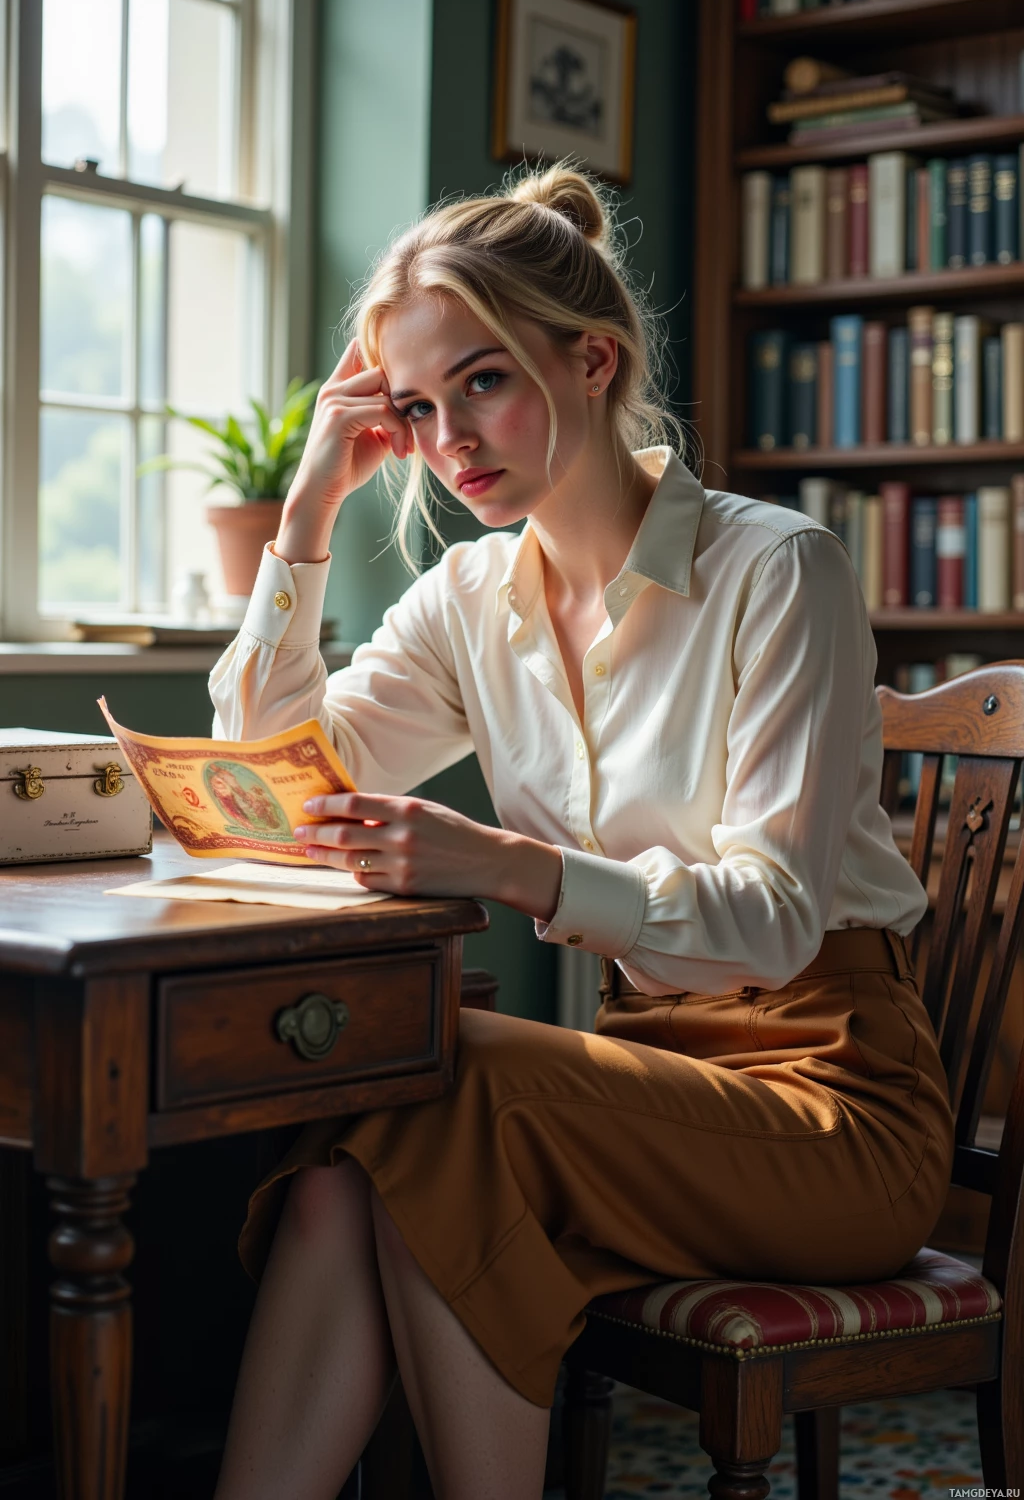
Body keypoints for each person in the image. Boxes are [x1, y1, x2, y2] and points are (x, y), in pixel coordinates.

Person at [207, 163, 954, 1500]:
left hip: (835, 1108)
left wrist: (506, 865)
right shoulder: (469, 598)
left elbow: (775, 917)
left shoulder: (779, 571)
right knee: (347, 1174)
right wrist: (309, 511)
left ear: (592, 360)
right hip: (633, 1094)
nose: (449, 443)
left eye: (482, 384)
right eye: (418, 408)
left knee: (447, 1078)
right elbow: (269, 779)